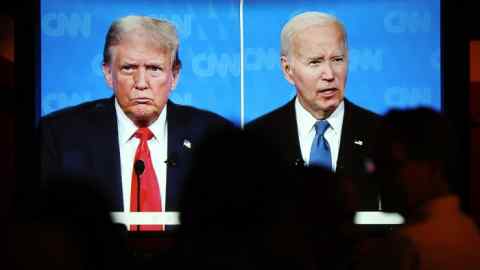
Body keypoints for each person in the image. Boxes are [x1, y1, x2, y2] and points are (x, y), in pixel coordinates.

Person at [41, 16, 234, 230]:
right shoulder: (59, 136)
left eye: (154, 69)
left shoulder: (214, 137)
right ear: (108, 73)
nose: (141, 83)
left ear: (175, 75)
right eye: (128, 68)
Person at [245, 11, 381, 210]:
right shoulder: (256, 139)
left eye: (337, 59)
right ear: (287, 69)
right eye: (315, 62)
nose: (329, 74)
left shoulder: (382, 134)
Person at [372, 107, 480, 270]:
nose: (379, 177)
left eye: (391, 165)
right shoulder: (469, 229)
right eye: (377, 166)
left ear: (433, 166)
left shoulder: (406, 247)